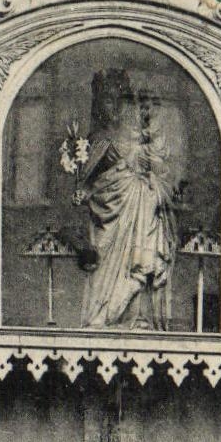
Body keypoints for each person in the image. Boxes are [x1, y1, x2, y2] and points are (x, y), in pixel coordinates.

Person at [75, 69, 180, 331]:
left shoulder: (140, 134)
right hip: (109, 208)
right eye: (106, 100)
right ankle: (102, 316)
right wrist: (85, 189)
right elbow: (91, 174)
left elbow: (161, 168)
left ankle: (136, 316)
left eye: (117, 100)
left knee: (138, 259)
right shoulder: (99, 138)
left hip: (138, 205)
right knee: (105, 264)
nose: (111, 106)